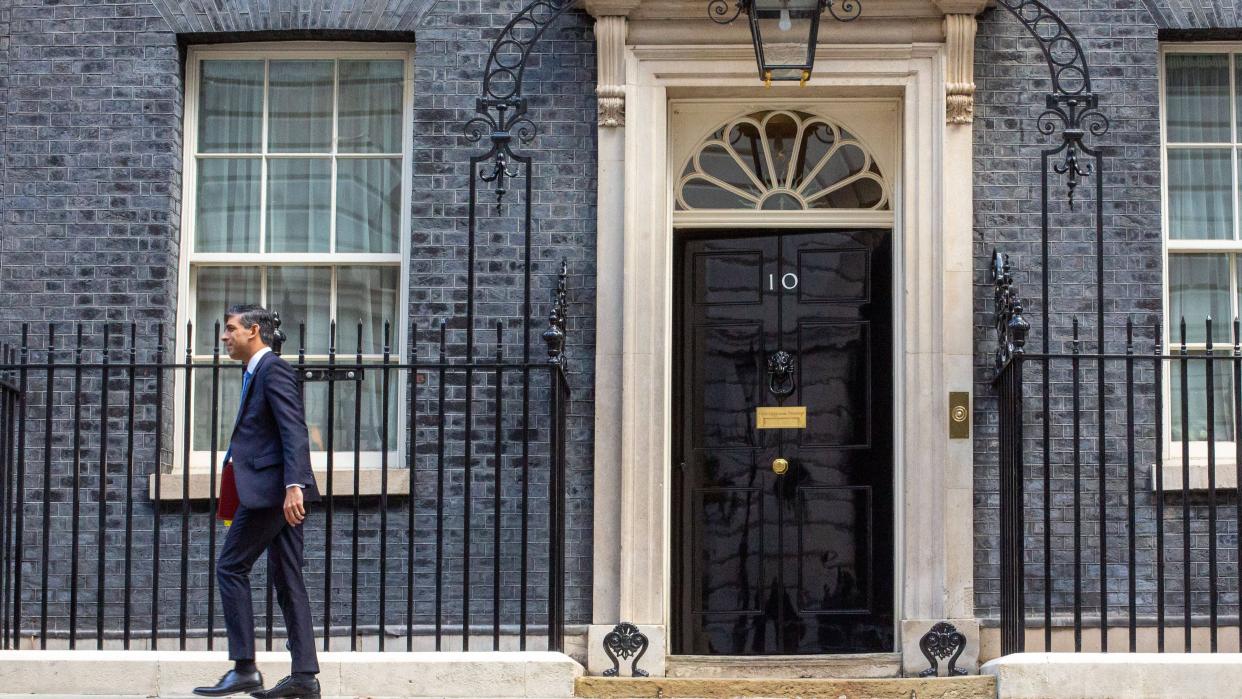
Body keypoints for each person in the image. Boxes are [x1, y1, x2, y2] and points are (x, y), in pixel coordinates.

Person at [194, 305, 322, 699]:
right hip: (275, 490)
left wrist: (293, 486)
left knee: (231, 567)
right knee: (287, 579)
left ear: (253, 331)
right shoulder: (254, 372)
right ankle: (303, 677)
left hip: (273, 493)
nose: (224, 336)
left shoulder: (273, 370)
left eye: (230, 329)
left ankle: (245, 667)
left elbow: (294, 429)